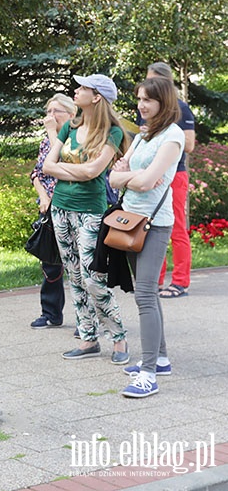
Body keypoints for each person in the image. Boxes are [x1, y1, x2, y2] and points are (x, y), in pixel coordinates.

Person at [43, 74, 130, 365]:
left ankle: (119, 337)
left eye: (82, 88)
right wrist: (76, 172)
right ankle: (88, 338)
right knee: (75, 276)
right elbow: (47, 165)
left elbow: (94, 172)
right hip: (60, 208)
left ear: (96, 98)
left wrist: (65, 171)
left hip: (91, 211)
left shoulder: (112, 133)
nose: (76, 91)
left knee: (94, 279)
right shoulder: (70, 125)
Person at [110, 77, 184, 398]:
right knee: (148, 295)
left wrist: (130, 178)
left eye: (148, 100)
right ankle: (162, 358)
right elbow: (115, 178)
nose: (141, 105)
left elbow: (151, 180)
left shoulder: (173, 135)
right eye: (139, 99)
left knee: (143, 295)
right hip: (129, 221)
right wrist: (131, 178)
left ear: (163, 102)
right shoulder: (142, 135)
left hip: (155, 223)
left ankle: (149, 372)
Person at [145, 62, 195, 299]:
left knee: (176, 227)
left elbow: (190, 144)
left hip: (175, 174)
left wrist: (165, 141)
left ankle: (180, 282)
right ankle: (155, 280)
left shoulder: (181, 108)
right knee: (153, 227)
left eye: (153, 80)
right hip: (152, 173)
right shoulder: (147, 108)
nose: (149, 86)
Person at [29, 93, 78, 329]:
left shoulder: (77, 140)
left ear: (71, 115)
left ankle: (86, 319)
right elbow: (38, 173)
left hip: (73, 207)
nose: (50, 116)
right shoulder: (46, 141)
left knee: (78, 264)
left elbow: (62, 167)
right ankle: (50, 313)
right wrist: (43, 195)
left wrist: (53, 134)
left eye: (56, 111)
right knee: (50, 263)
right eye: (48, 111)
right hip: (49, 208)